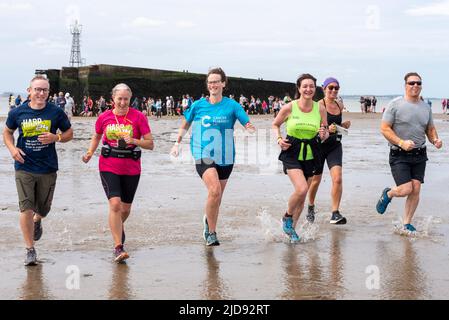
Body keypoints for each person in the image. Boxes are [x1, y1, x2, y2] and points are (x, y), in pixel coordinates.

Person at [170, 68, 255, 246]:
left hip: (226, 156)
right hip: (202, 152)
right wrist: (177, 143)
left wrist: (249, 129)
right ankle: (211, 232)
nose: (213, 85)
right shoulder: (198, 105)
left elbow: (246, 121)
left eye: (216, 81)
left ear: (223, 83)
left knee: (216, 197)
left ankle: (207, 219)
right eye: (210, 82)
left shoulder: (232, 105)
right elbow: (186, 122)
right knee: (214, 190)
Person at [2, 75, 73, 266]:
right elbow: (7, 132)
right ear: (29, 91)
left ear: (48, 92)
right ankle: (30, 250)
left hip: (48, 167)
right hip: (24, 165)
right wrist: (12, 149)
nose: (41, 93)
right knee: (26, 207)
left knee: (43, 208)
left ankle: (38, 219)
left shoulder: (56, 112)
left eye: (44, 90)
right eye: (37, 89)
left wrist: (56, 138)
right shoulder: (18, 112)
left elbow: (69, 133)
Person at [82, 83, 154, 263]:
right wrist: (90, 152)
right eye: (119, 99)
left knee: (125, 208)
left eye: (126, 99)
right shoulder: (104, 117)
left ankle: (116, 227)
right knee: (115, 204)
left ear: (130, 99)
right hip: (108, 165)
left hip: (131, 167)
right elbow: (97, 135)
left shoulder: (139, 117)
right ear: (112, 99)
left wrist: (135, 140)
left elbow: (150, 144)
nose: (122, 102)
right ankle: (118, 247)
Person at [376, 72, 443, 233]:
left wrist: (435, 140)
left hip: (420, 154)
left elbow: (430, 128)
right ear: (405, 85)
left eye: (418, 83)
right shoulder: (395, 104)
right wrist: (401, 142)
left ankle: (407, 223)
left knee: (416, 188)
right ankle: (389, 193)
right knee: (406, 189)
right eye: (412, 83)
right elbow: (384, 128)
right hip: (399, 153)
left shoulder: (426, 107)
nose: (415, 86)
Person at [272, 73, 329, 243]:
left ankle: (292, 233)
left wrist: (323, 133)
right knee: (302, 189)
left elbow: (325, 132)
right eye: (305, 86)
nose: (308, 89)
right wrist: (279, 139)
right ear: (299, 88)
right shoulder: (290, 107)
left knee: (302, 198)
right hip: (292, 150)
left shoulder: (320, 108)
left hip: (312, 151)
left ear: (315, 88)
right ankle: (287, 217)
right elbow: (276, 124)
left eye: (311, 86)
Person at [307, 77, 351, 224]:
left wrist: (343, 125)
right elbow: (312, 128)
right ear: (324, 89)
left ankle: (335, 213)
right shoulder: (319, 105)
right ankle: (311, 206)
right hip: (319, 146)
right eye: (330, 87)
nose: (333, 90)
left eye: (336, 88)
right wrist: (326, 128)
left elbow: (337, 124)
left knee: (337, 178)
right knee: (315, 180)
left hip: (335, 146)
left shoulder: (339, 104)